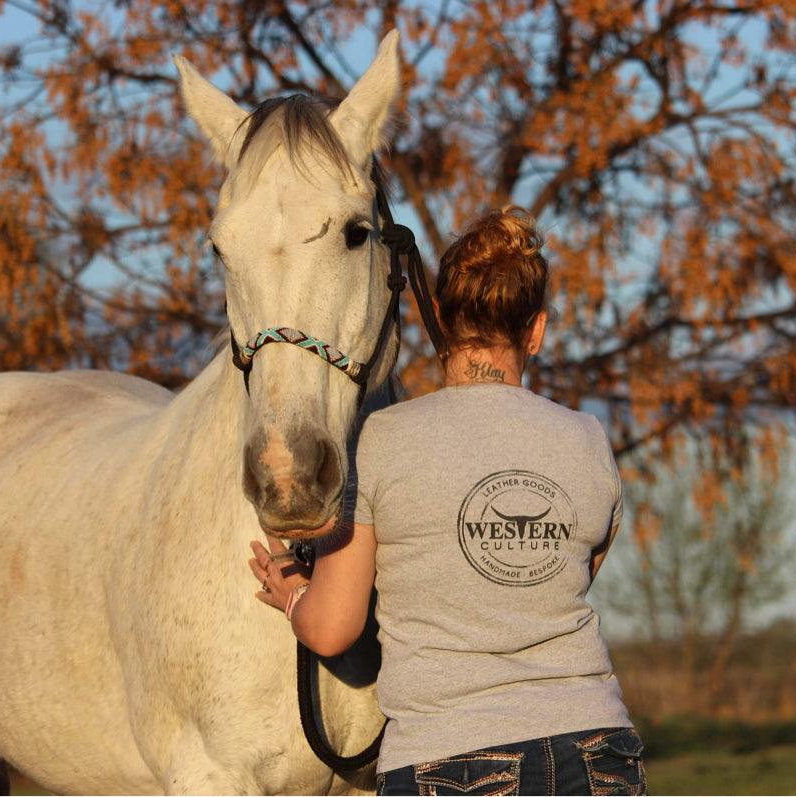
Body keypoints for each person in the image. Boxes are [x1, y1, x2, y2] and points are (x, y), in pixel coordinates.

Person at [249, 206, 646, 795]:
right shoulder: (587, 439)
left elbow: (333, 628)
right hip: (599, 748)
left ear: (438, 315)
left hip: (451, 760)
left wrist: (295, 593)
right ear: (535, 330)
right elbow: (564, 578)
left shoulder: (383, 440)